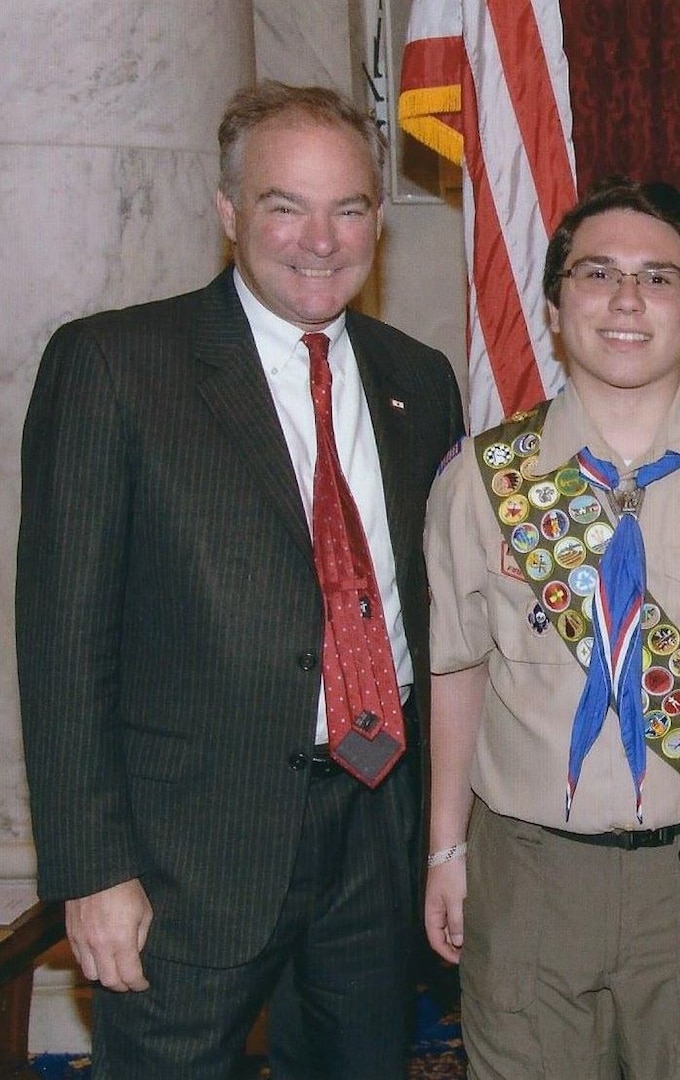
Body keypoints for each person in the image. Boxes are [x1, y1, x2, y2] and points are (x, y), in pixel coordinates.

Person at [16, 81, 464, 1078]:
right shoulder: (116, 367)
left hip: (375, 831)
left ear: (377, 221)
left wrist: (442, 838)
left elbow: (439, 624)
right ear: (228, 213)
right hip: (192, 854)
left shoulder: (419, 380)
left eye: (348, 207)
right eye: (284, 205)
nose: (321, 238)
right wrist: (90, 872)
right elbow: (61, 643)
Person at [421, 176, 680, 1080]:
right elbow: (456, 674)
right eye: (597, 273)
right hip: (527, 875)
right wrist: (444, 849)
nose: (625, 300)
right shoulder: (485, 478)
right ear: (556, 303)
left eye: (658, 279)